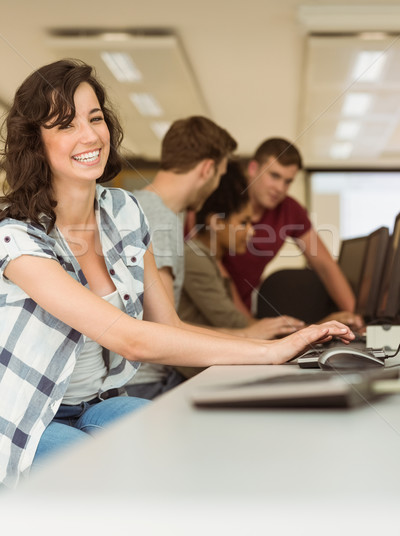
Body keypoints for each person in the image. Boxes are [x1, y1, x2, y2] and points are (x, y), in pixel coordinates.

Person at [0, 59, 354, 489]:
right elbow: (128, 336)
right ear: (35, 143)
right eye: (66, 125)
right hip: (30, 412)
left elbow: (168, 326)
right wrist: (270, 352)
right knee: (101, 477)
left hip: (99, 401)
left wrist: (284, 347)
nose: (90, 135)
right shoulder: (16, 238)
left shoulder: (125, 212)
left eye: (95, 118)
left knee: (188, 449)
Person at [127, 120, 303, 397]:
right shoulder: (157, 219)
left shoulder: (156, 210)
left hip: (159, 375)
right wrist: (257, 344)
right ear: (208, 169)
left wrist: (254, 341)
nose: (217, 185)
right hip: (149, 383)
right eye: (220, 175)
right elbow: (163, 329)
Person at [223, 138, 362, 327]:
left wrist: (356, 317)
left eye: (288, 181)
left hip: (244, 313)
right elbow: (216, 272)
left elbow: (325, 265)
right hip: (213, 307)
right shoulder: (225, 200)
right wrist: (248, 326)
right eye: (274, 176)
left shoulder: (289, 209)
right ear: (253, 168)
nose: (280, 188)